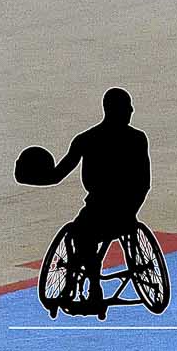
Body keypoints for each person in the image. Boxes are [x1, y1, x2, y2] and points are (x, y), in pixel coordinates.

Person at [31, 88, 150, 314]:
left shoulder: (86, 139)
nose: (132, 111)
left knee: (80, 235)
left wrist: (32, 177)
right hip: (124, 209)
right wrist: (131, 211)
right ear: (118, 110)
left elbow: (56, 175)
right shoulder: (137, 139)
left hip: (99, 208)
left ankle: (92, 285)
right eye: (128, 107)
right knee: (83, 234)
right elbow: (144, 183)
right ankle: (91, 285)